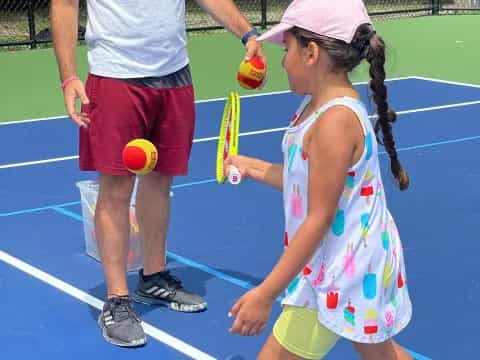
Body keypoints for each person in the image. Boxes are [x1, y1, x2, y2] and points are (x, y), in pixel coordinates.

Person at [50, 0, 264, 347]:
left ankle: (153, 277)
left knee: (160, 180)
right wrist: (69, 76)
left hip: (175, 73)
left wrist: (247, 32)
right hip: (115, 74)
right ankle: (117, 300)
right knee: (116, 188)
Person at [225, 0, 413, 359]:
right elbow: (306, 184)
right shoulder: (313, 108)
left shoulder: (334, 121)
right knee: (381, 355)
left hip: (343, 269)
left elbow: (318, 218)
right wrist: (251, 166)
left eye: (287, 48)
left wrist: (264, 293)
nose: (282, 60)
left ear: (311, 52)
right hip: (343, 260)